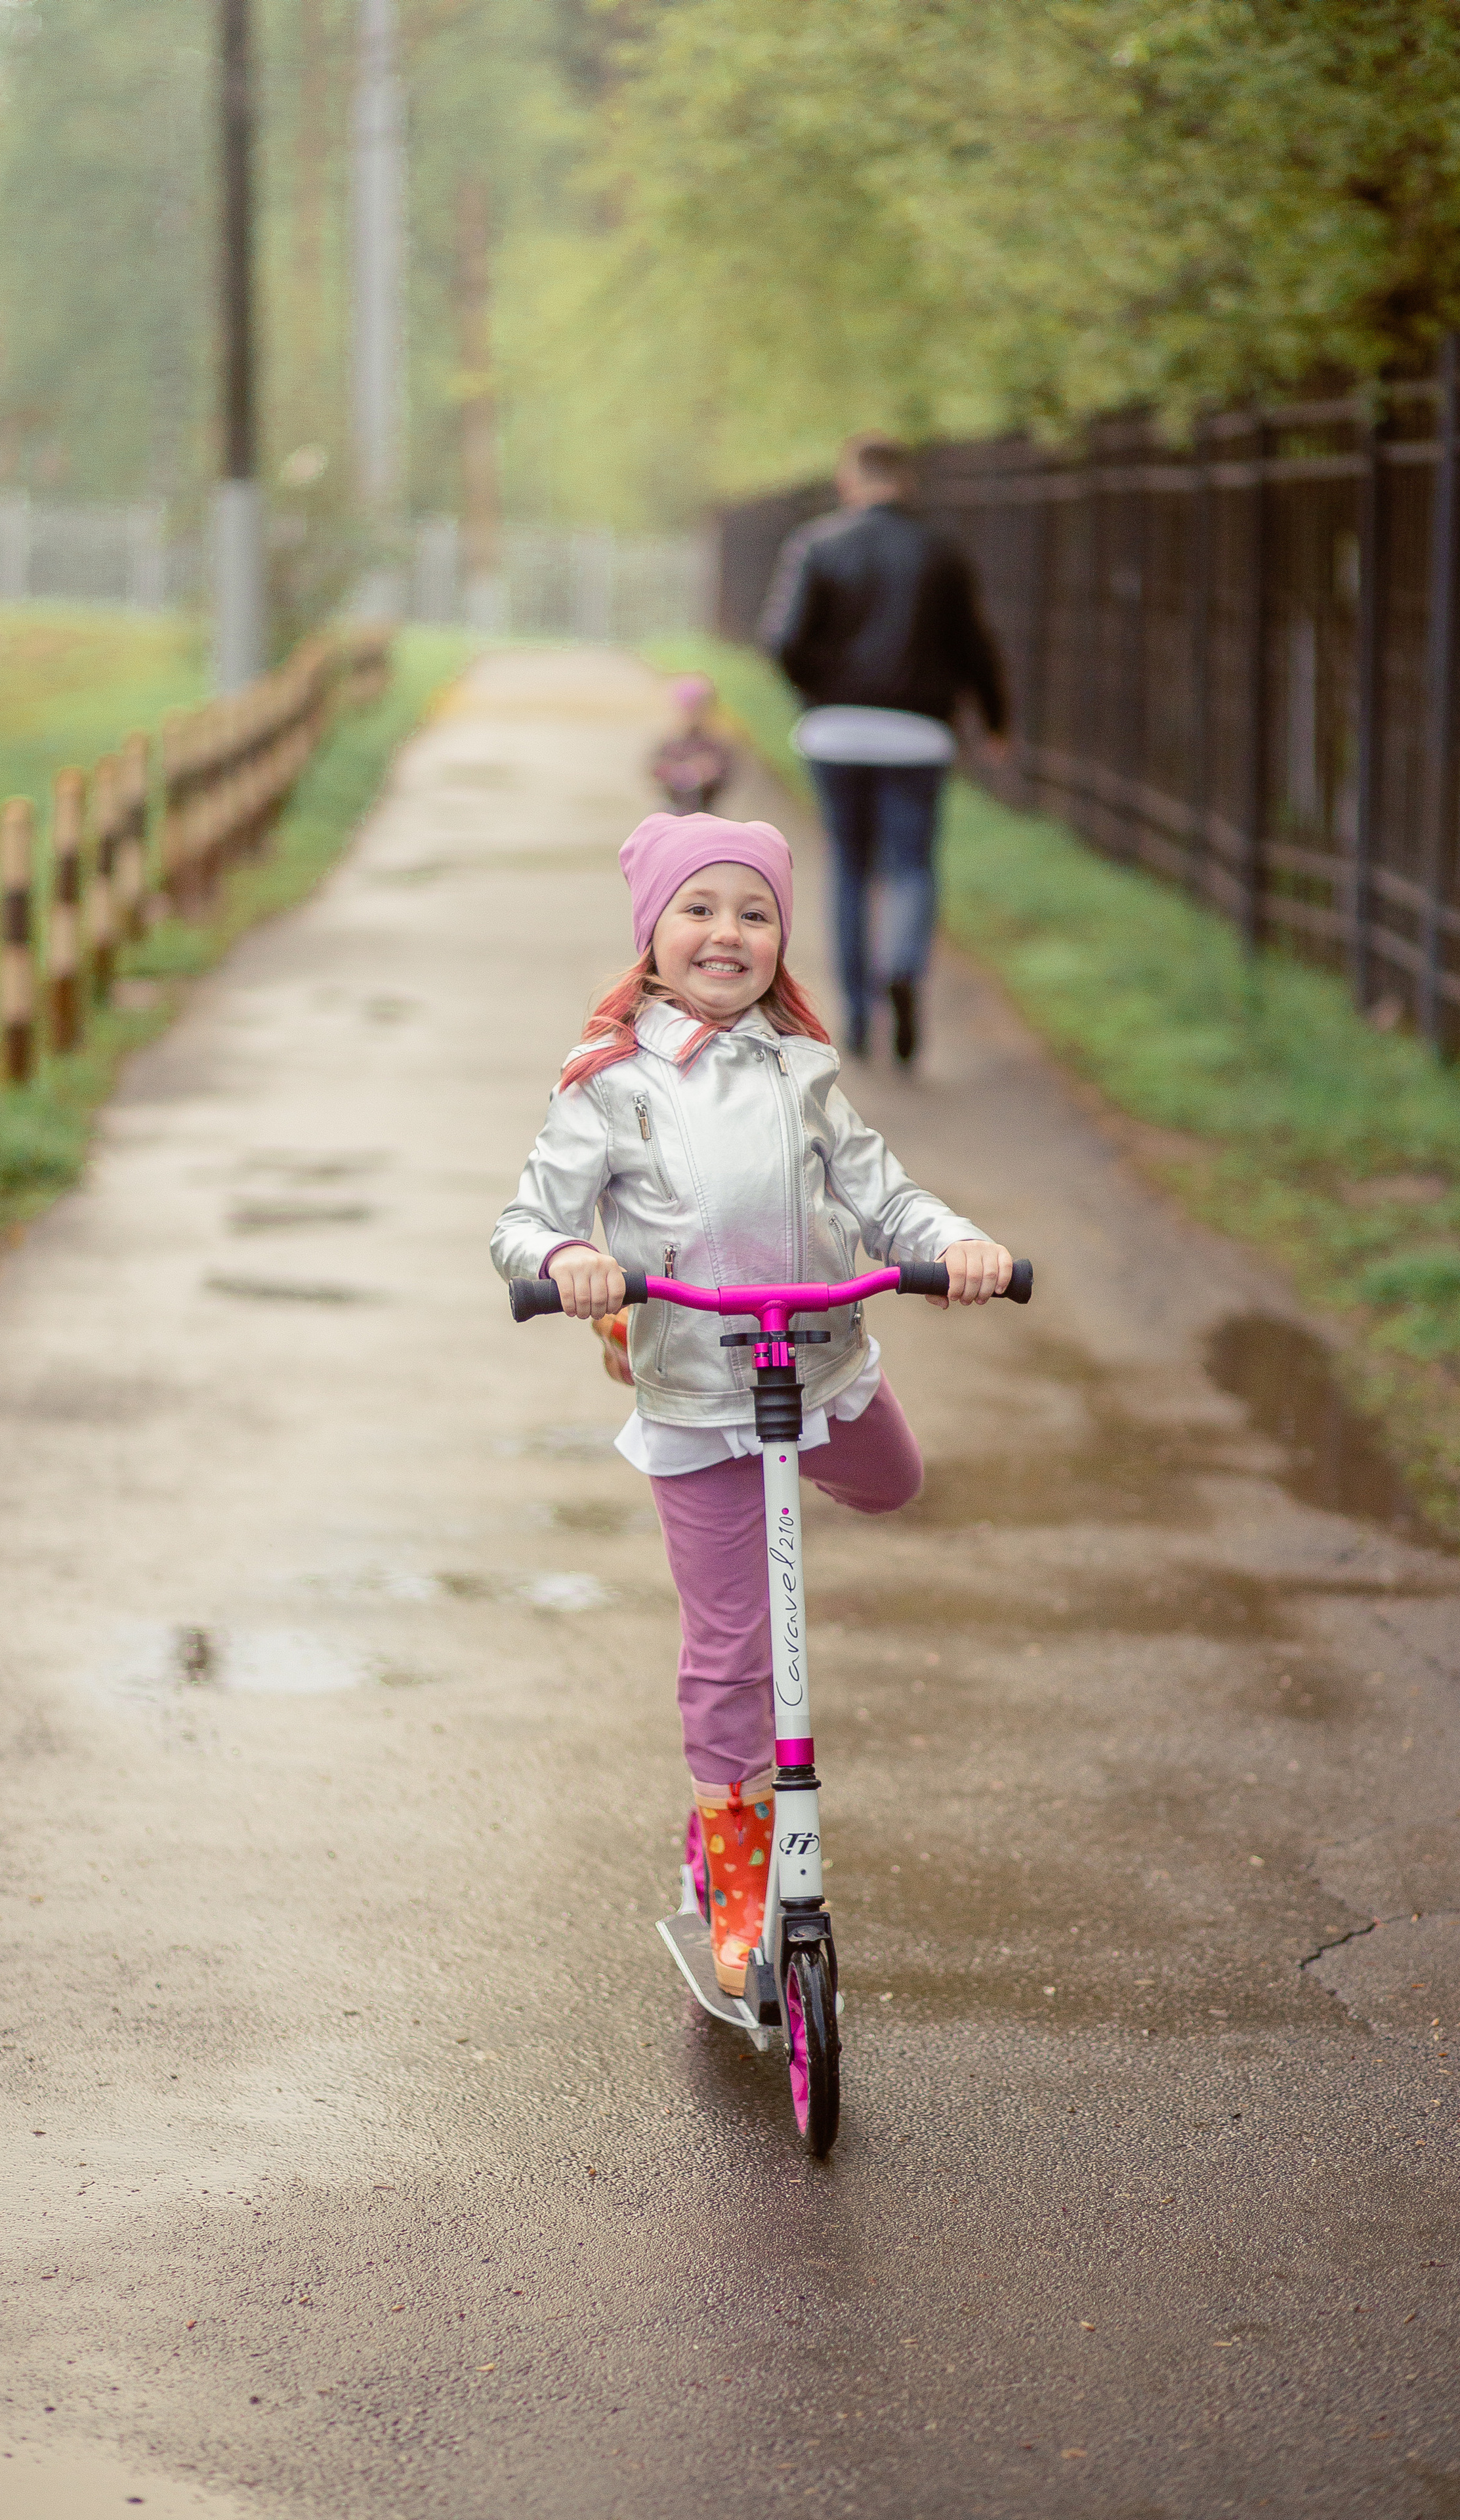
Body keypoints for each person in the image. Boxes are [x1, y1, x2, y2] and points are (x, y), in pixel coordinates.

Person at [490, 809, 1014, 1995]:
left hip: (818, 1361)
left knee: (896, 1483)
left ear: (782, 937)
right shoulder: (608, 1084)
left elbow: (885, 1197)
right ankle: (733, 1867)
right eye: (700, 909)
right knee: (733, 1647)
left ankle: (795, 1448)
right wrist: (569, 1260)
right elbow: (524, 1221)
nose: (728, 932)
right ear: (654, 933)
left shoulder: (801, 1068)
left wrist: (956, 1243)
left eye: (755, 912)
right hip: (700, 1396)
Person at [757, 431, 1011, 1066]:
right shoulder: (941, 552)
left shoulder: (817, 544)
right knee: (911, 866)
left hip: (835, 732)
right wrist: (995, 720)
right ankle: (902, 965)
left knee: (849, 867)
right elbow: (975, 645)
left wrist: (819, 695)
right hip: (919, 734)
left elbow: (782, 641)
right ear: (907, 481)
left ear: (849, 480)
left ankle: (856, 1013)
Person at [648, 673, 734, 814]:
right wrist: (671, 772)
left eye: (698, 709)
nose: (691, 715)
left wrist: (707, 771)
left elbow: (726, 770)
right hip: (673, 809)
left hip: (705, 810)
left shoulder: (716, 742)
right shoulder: (670, 741)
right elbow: (653, 768)